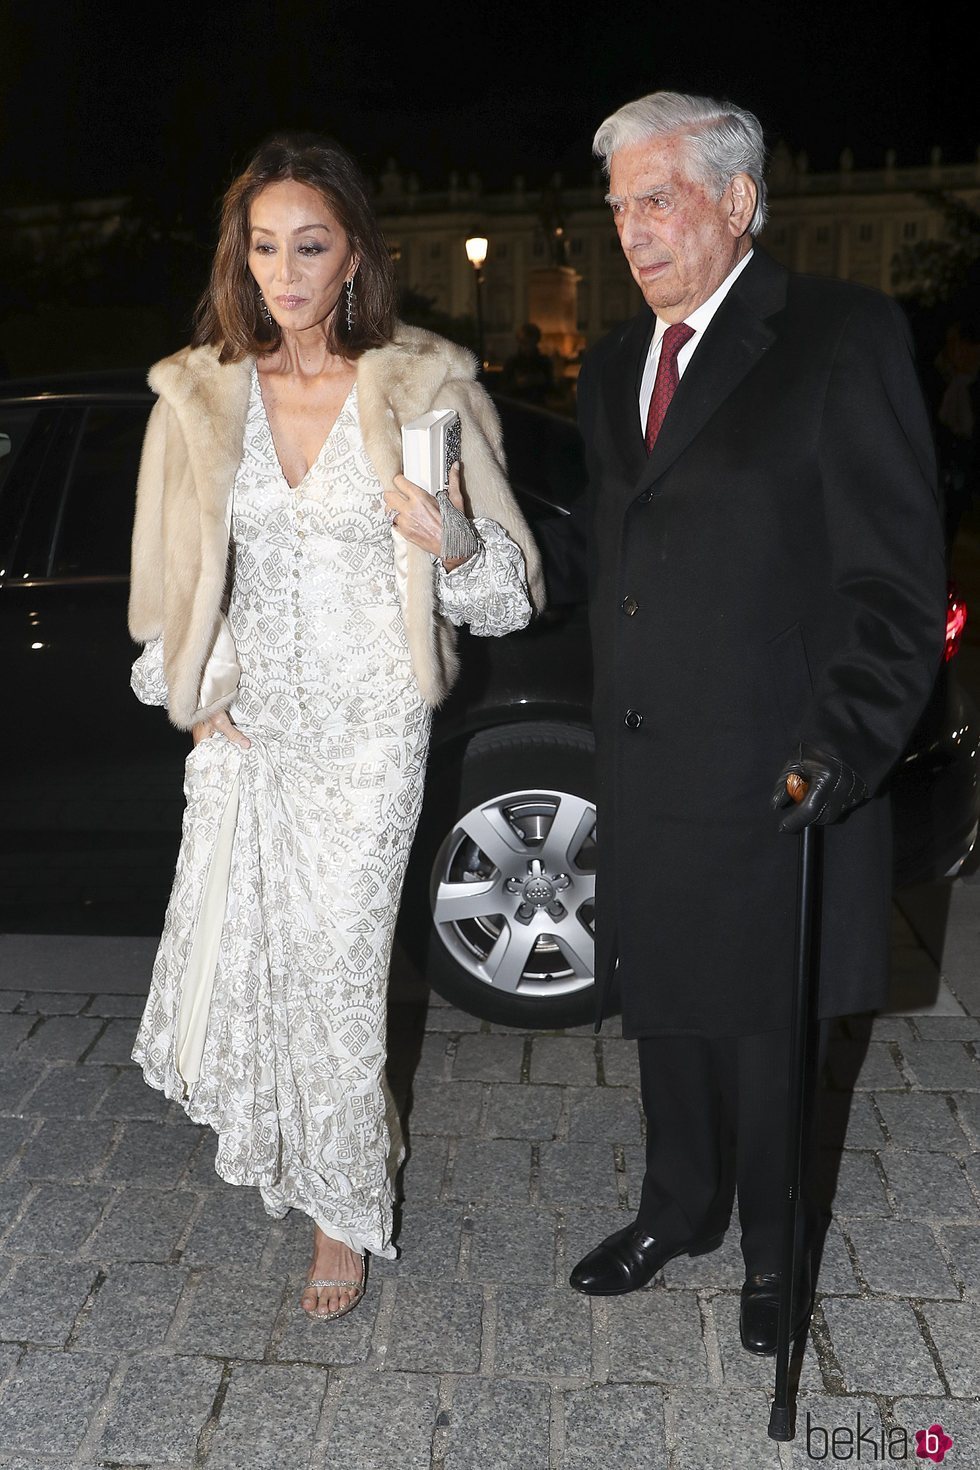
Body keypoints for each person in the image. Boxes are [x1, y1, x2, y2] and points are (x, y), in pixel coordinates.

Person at [128, 133, 545, 1321]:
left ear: (355, 252)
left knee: (341, 967)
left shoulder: (422, 389)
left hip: (369, 730)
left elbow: (507, 595)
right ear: (240, 256)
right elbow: (175, 579)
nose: (286, 271)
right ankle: (315, 1156)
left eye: (310, 245)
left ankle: (342, 1214)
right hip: (259, 726)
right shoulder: (199, 393)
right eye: (264, 247)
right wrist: (193, 703)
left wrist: (453, 546)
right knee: (270, 965)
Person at [563, 91, 946, 1355]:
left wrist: (839, 743)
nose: (630, 229)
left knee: (767, 1036)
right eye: (617, 205)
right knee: (665, 1006)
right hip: (647, 753)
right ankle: (678, 1208)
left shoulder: (837, 336)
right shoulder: (616, 361)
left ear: (735, 200)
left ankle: (777, 1258)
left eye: (655, 198)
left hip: (777, 765)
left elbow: (889, 585)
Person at [498, 322, 555, 405]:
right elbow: (502, 389)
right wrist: (517, 384)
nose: (527, 347)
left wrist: (541, 381)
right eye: (524, 342)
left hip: (539, 408)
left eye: (531, 342)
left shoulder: (544, 361)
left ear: (536, 342)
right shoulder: (512, 362)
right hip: (518, 408)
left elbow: (551, 388)